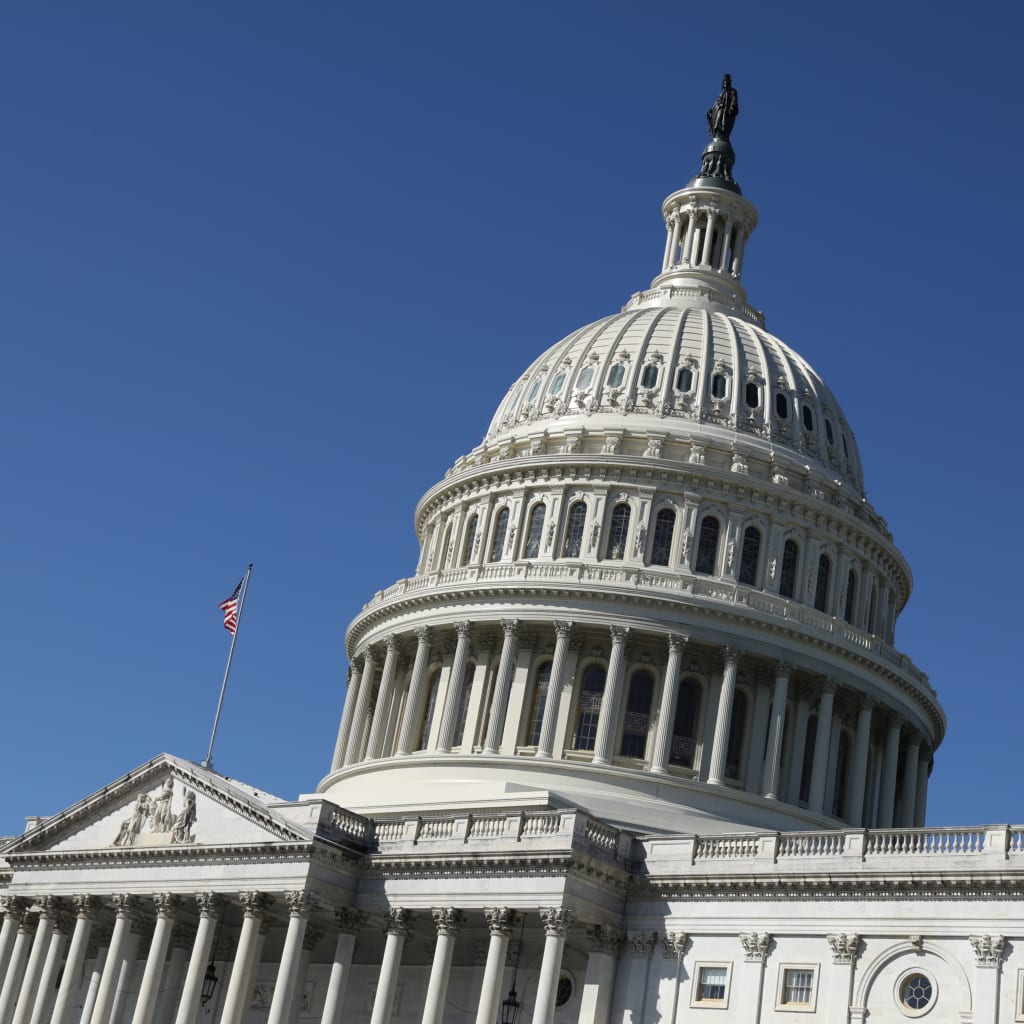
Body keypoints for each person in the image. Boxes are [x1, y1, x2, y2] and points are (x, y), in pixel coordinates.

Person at [707, 74, 739, 140]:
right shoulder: (722, 93)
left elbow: (734, 102)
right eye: (724, 81)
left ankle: (721, 134)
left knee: (723, 124)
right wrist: (712, 110)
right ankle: (717, 134)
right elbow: (717, 102)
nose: (725, 83)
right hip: (719, 110)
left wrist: (731, 109)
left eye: (727, 81)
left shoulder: (732, 91)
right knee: (717, 121)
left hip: (726, 112)